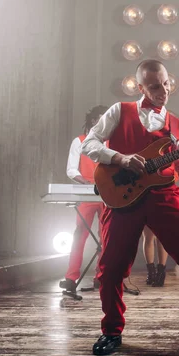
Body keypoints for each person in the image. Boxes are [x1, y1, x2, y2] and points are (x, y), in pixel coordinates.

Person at [82, 59, 179, 356]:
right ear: (140, 87)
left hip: (164, 195)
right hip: (122, 197)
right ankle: (111, 332)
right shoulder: (119, 111)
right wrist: (120, 159)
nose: (163, 90)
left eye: (166, 83)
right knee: (110, 268)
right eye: (154, 86)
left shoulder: (177, 125)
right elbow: (90, 143)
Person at [59, 105, 109, 291]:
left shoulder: (110, 142)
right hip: (86, 193)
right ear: (93, 120)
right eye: (100, 119)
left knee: (106, 236)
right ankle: (71, 278)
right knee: (80, 233)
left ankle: (101, 276)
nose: (103, 123)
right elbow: (72, 169)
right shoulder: (79, 141)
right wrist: (86, 183)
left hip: (108, 194)